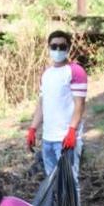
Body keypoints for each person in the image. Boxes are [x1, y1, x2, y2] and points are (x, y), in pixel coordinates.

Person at [26, 30, 87, 180]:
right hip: (48, 139)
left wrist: (72, 131)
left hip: (65, 140)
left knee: (69, 184)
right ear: (48, 47)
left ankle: (70, 205)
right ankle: (56, 205)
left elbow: (79, 105)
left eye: (62, 46)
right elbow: (42, 104)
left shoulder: (76, 71)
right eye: (54, 46)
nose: (58, 50)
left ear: (68, 48)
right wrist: (33, 128)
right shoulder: (46, 74)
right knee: (52, 182)